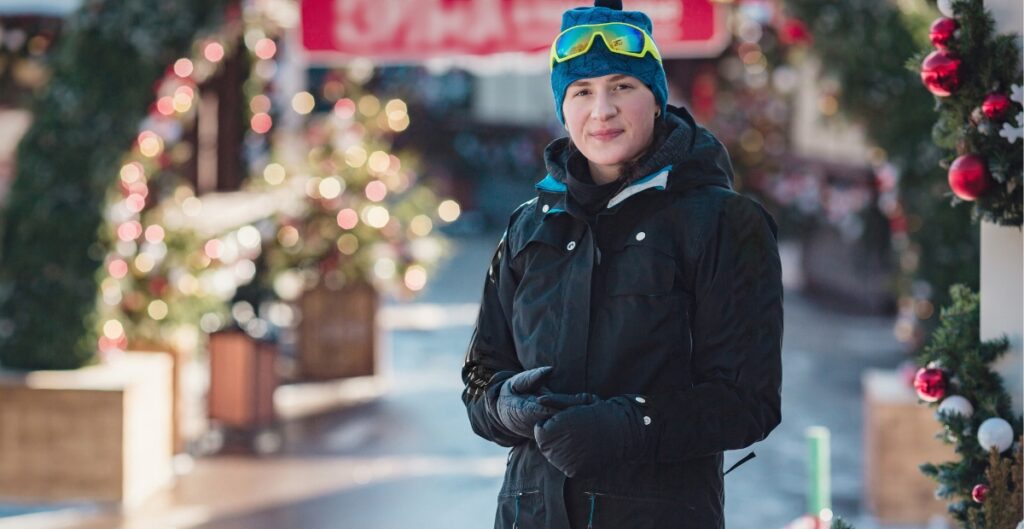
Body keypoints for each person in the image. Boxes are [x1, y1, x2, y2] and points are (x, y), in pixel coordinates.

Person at [461, 1, 783, 527]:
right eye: (582, 92)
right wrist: (502, 406)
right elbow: (481, 373)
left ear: (656, 99)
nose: (602, 110)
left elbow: (747, 401)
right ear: (563, 110)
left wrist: (628, 426)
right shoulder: (527, 226)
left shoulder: (724, 222)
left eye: (622, 87)